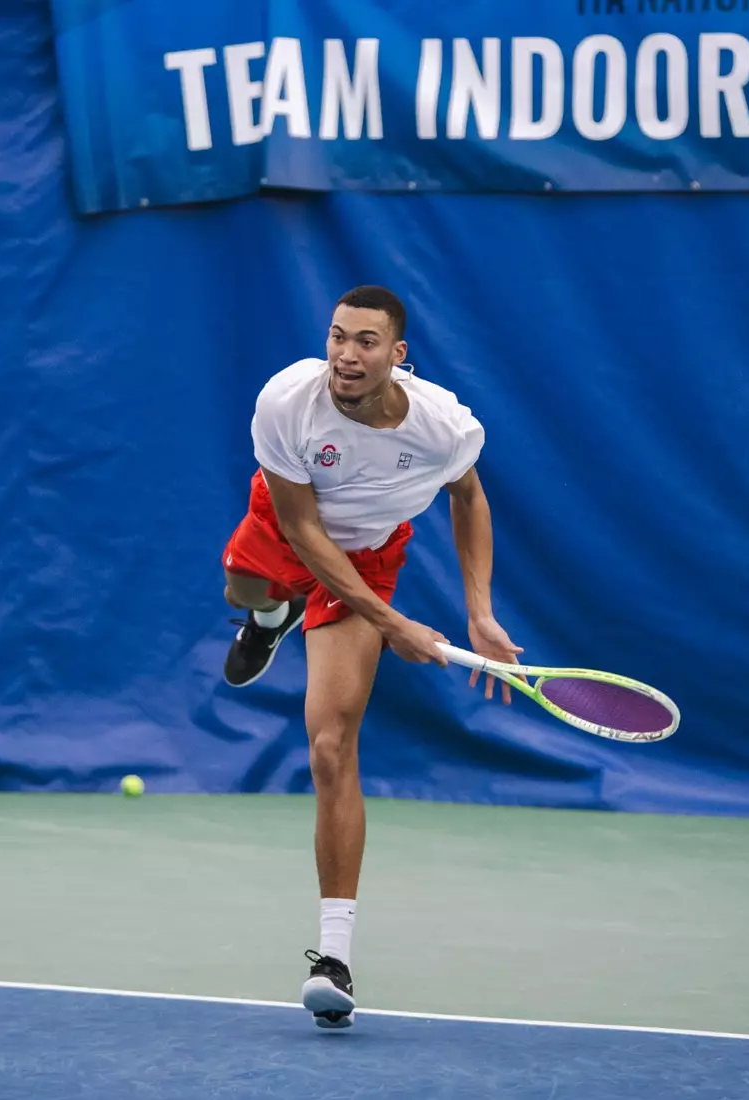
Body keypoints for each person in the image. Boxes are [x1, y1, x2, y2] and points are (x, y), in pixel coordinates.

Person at [218, 285, 521, 1029]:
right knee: (242, 585)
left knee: (329, 746)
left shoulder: (444, 426)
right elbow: (302, 531)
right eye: (337, 337)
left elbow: (469, 497)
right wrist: (395, 624)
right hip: (298, 531)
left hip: (373, 550)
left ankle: (334, 959)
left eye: (365, 342)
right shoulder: (286, 404)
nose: (346, 356)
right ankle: (270, 613)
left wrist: (477, 612)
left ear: (397, 355)